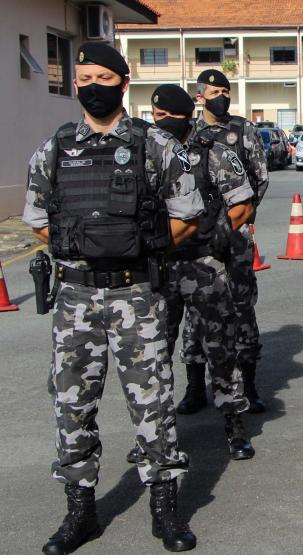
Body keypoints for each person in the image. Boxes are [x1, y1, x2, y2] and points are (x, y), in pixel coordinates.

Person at [23, 43, 198, 553]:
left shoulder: (156, 145)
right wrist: (81, 248)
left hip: (136, 294)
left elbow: (186, 216)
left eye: (103, 77)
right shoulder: (54, 147)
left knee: (153, 405)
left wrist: (142, 246)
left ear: (123, 84)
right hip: (75, 298)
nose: (92, 86)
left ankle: (164, 509)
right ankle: (80, 512)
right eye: (83, 78)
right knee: (71, 405)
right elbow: (38, 221)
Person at [142, 84, 256, 461]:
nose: (161, 124)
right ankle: (154, 435)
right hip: (161, 264)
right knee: (153, 351)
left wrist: (220, 236)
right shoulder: (146, 153)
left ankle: (235, 426)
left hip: (204, 263)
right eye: (156, 117)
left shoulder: (214, 151)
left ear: (187, 114)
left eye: (168, 117)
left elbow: (242, 201)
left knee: (221, 348)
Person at [178, 69, 270, 415]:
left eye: (227, 90)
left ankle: (249, 385)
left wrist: (236, 221)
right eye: (216, 90)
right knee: (195, 313)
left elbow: (259, 180)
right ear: (200, 95)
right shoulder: (189, 133)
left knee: (242, 306)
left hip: (236, 236)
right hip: (195, 241)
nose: (223, 96)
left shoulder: (242, 129)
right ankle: (194, 387)